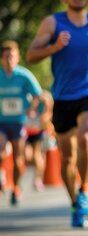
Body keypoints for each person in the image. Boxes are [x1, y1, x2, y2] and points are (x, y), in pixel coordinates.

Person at [27, 0, 88, 227]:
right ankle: (74, 203)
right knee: (67, 156)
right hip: (62, 97)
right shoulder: (52, 23)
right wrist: (54, 48)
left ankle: (84, 191)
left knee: (85, 136)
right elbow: (31, 55)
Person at [0, 40, 43, 206]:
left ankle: (16, 187)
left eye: (12, 56)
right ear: (2, 59)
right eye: (6, 56)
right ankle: (2, 176)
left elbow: (39, 95)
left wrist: (33, 109)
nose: (9, 60)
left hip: (19, 122)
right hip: (2, 122)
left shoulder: (24, 76)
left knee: (19, 159)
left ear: (17, 58)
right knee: (1, 149)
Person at [24, 89, 53, 192]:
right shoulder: (28, 98)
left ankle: (38, 179)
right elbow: (25, 113)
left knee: (38, 155)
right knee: (28, 156)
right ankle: (34, 177)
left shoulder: (45, 99)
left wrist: (43, 118)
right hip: (27, 132)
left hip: (39, 132)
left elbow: (47, 115)